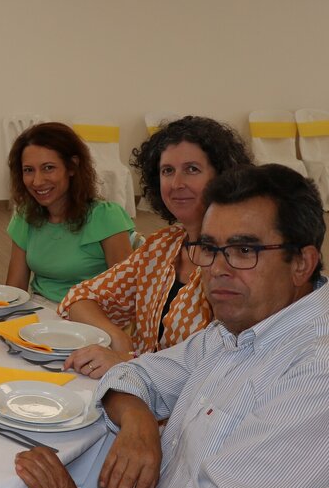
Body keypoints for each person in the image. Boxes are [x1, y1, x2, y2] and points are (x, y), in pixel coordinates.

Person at [18, 164, 329, 488]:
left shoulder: (313, 370)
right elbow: (135, 373)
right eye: (210, 248)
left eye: (244, 251)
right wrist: (140, 426)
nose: (218, 269)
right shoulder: (237, 329)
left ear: (302, 263)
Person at [58, 116, 252, 378]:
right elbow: (79, 299)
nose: (177, 183)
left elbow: (226, 364)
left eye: (192, 169)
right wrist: (120, 340)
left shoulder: (240, 259)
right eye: (167, 171)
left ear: (222, 177)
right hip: (136, 389)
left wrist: (131, 365)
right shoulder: (163, 246)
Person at [6, 122, 133, 303]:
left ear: (72, 166)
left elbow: (126, 293)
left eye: (48, 167)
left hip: (91, 314)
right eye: (28, 170)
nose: (37, 181)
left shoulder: (106, 217)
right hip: (40, 311)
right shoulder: (26, 216)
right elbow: (14, 289)